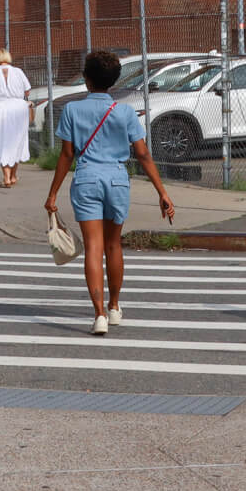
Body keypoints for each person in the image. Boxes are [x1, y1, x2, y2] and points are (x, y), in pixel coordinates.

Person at [42, 48, 175, 336]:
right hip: (117, 180)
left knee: (93, 247)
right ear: (113, 81)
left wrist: (52, 193)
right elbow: (143, 155)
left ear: (87, 80)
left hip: (87, 179)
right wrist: (162, 192)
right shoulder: (125, 112)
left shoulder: (72, 110)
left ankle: (98, 315)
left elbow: (66, 155)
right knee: (114, 245)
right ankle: (114, 306)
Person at [0, 48, 33, 188]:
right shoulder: (18, 72)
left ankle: (6, 177)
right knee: (17, 140)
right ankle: (13, 175)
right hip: (18, 108)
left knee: (0, 140)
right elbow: (27, 91)